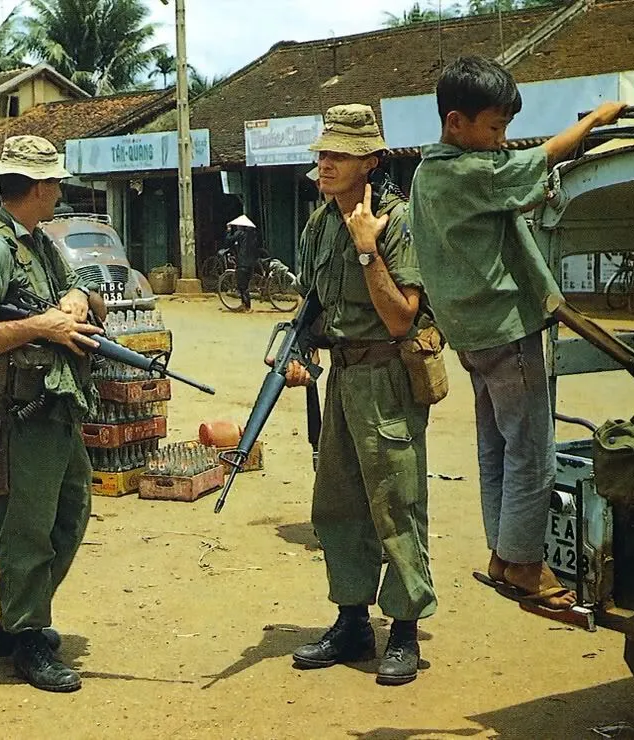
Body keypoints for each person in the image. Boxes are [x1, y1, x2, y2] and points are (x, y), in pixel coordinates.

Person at [408, 56, 626, 611]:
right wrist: (595, 120)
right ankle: (527, 566)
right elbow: (546, 156)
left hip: (471, 337)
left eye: (506, 129)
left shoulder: (427, 171)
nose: (502, 140)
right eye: (494, 128)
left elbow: (516, 188)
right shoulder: (470, 172)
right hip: (508, 331)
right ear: (456, 123)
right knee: (532, 451)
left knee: (495, 447)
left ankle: (503, 555)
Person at [284, 104, 436, 686]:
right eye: (323, 152)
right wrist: (298, 354)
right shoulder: (319, 224)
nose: (325, 162)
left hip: (388, 380)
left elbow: (402, 319)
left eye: (339, 154)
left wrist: (368, 249)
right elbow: (314, 310)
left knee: (396, 504)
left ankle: (403, 630)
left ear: (369, 162)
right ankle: (352, 622)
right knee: (339, 506)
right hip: (344, 380)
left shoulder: (396, 223)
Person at [0, 135, 101, 693]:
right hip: (17, 411)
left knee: (71, 512)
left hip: (54, 403)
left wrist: (78, 301)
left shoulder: (38, 244)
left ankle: (16, 619)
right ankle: (28, 634)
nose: (60, 192)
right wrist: (40, 326)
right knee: (28, 529)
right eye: (55, 183)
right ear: (36, 187)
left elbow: (78, 288)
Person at [226, 215, 259, 311]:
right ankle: (244, 305)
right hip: (251, 263)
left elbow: (229, 240)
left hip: (242, 263)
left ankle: (247, 307)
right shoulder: (253, 235)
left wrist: (228, 230)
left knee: (242, 287)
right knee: (246, 285)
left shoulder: (240, 233)